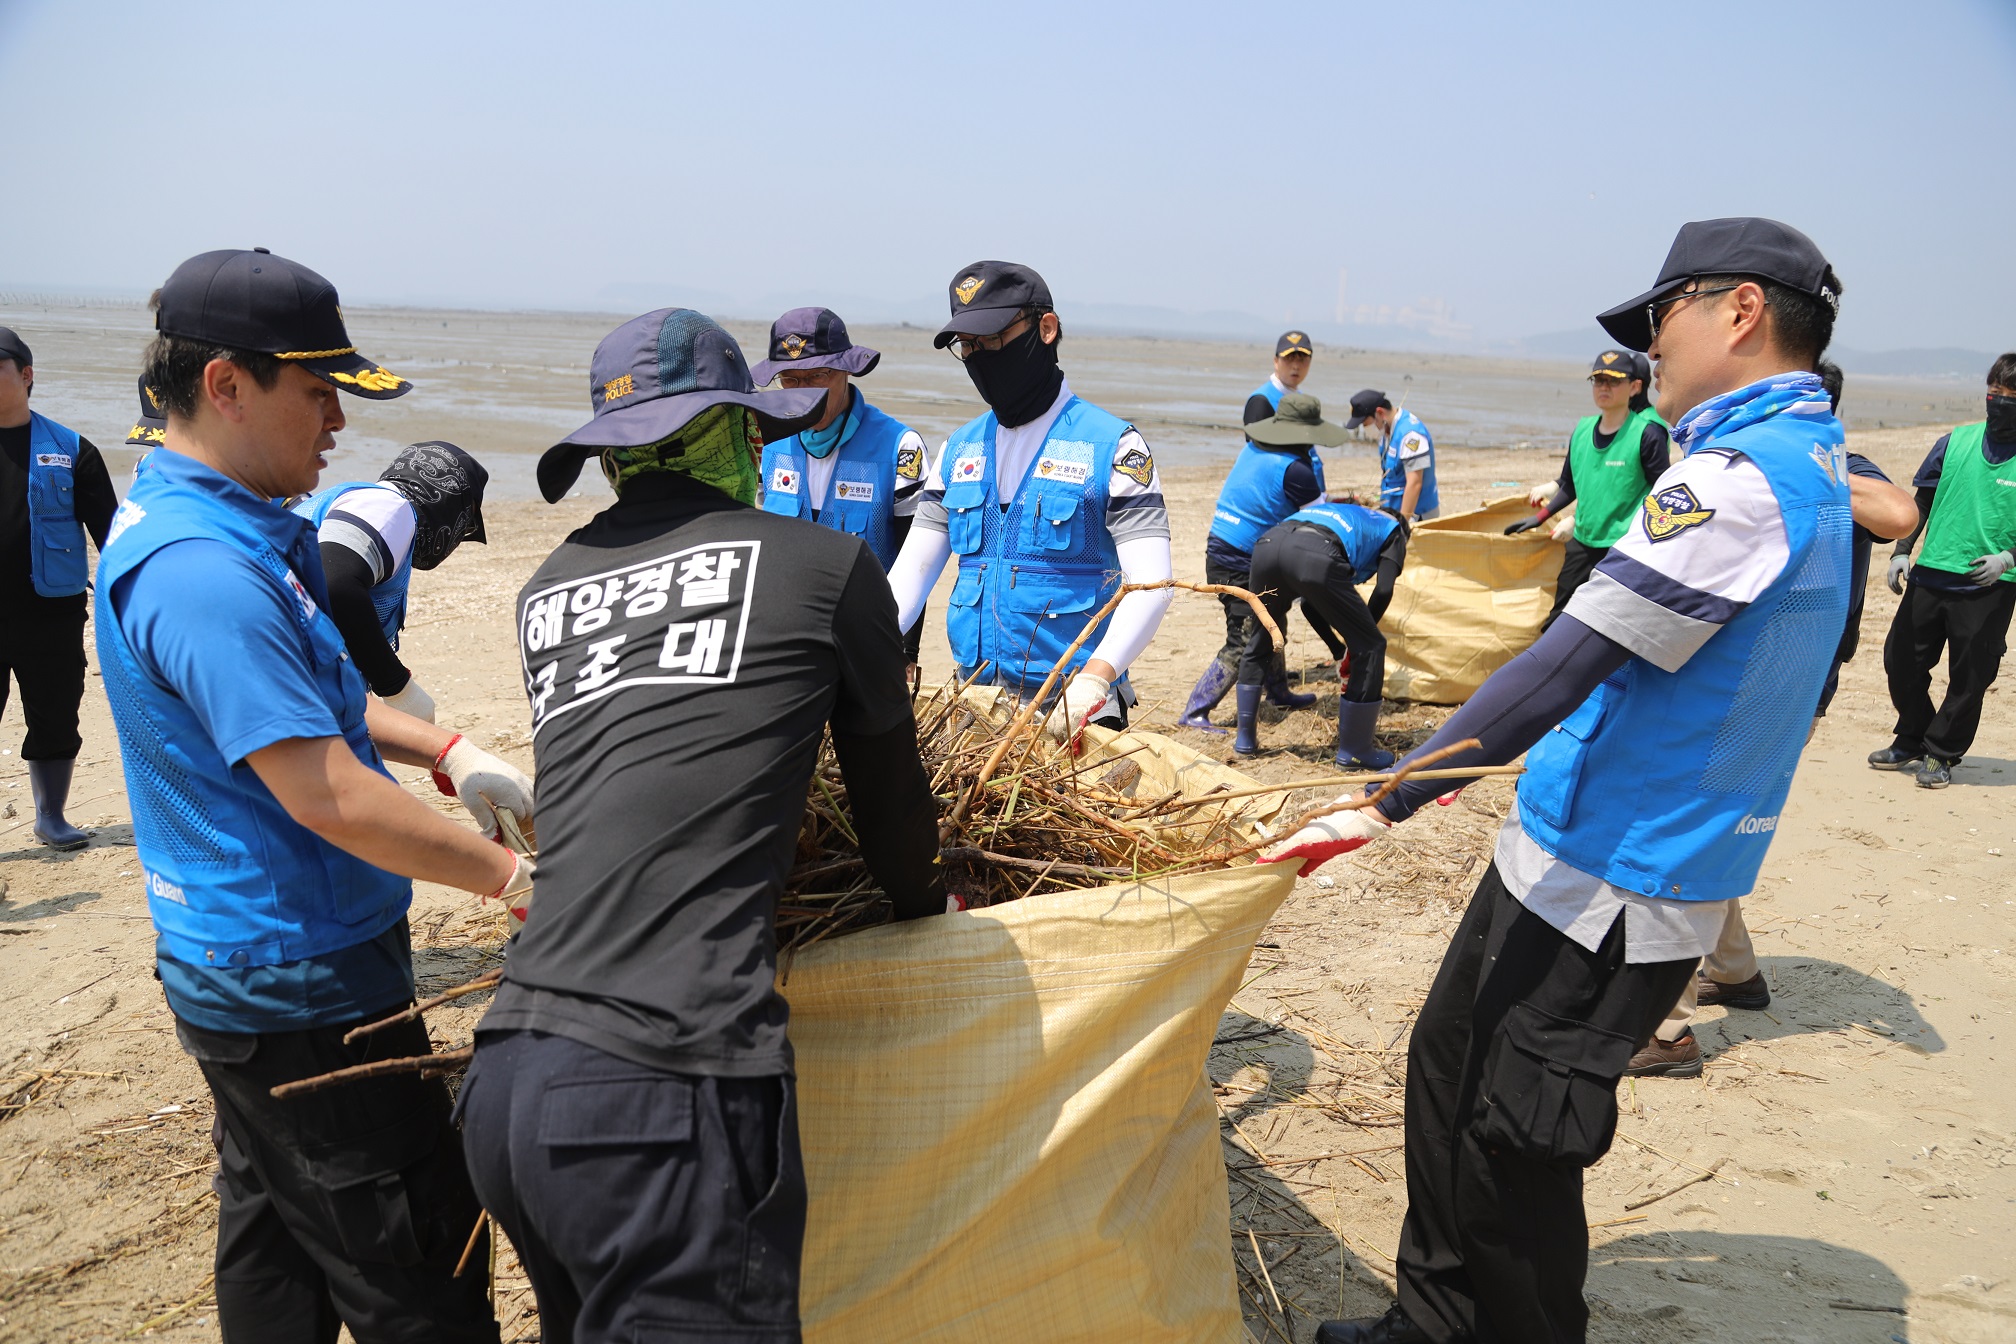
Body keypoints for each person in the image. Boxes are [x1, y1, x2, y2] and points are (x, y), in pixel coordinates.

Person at [1265, 218, 1850, 1344]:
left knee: (1516, 1141)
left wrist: (1387, 797)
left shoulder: (1739, 481)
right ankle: (1432, 1320)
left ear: (1740, 311)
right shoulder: (1807, 453)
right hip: (1569, 839)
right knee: (1449, 1066)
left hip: (1628, 876)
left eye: (1662, 317)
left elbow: (1565, 663)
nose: (1649, 346)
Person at [458, 307, 944, 1344]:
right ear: (738, 434)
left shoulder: (548, 588)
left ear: (611, 461)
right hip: (662, 1092)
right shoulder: (826, 567)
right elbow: (894, 812)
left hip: (506, 1080)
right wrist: (929, 908)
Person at [95, 248, 538, 1341]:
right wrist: (516, 880)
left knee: (275, 1240)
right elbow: (327, 794)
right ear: (226, 385)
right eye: (316, 390)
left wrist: (448, 750)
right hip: (299, 982)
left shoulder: (237, 525)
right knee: (416, 1266)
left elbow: (307, 707)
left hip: (243, 972)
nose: (339, 421)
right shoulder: (203, 570)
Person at [1628, 358, 1919, 1078]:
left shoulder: (1830, 464)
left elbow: (1899, 514)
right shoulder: (1728, 459)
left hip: (1783, 683)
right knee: (1718, 815)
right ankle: (1735, 972)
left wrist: (1799, 470)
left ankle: (1666, 1029)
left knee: (1701, 825)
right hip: (1732, 672)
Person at [886, 261, 1175, 741]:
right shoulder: (959, 450)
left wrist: (1096, 677)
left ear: (1046, 328)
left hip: (1077, 710)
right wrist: (856, 649)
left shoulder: (1113, 447)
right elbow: (908, 580)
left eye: (992, 339)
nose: (979, 356)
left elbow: (1153, 585)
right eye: (968, 346)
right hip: (976, 706)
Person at [1869, 351, 2016, 788]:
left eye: (2011, 395)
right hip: (1931, 572)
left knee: (1970, 676)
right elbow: (1923, 501)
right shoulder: (1954, 442)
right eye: (1995, 392)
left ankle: (1941, 752)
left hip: (1990, 585)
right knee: (1900, 661)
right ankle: (1913, 736)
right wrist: (1902, 551)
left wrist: (2007, 559)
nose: (2000, 401)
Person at [0, 325, 120, 849]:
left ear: (26, 375)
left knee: (55, 714)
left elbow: (112, 536)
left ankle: (51, 815)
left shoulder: (72, 450)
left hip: (50, 612)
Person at [752, 306, 927, 661]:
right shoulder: (766, 446)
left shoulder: (900, 448)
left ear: (846, 371)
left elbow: (916, 562)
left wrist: (906, 652)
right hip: (785, 640)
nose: (804, 392)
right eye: (791, 380)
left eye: (817, 376)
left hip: (865, 642)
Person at [1177, 339, 1332, 733]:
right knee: (1244, 637)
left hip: (1223, 548)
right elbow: (1319, 520)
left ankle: (1277, 690)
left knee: (1272, 617)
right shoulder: (1295, 470)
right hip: (1237, 559)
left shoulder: (1256, 451)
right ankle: (1195, 710)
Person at [290, 441, 491, 721]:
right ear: (448, 501)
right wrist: (397, 687)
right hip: (289, 683)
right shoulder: (388, 507)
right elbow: (335, 581)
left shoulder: (356, 499)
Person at [1234, 490, 1410, 766]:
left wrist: (1340, 649)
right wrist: (1360, 639)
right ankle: (1356, 751)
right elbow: (1384, 589)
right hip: (1314, 551)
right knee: (1372, 646)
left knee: (1261, 639)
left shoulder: (1347, 514)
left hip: (1268, 544)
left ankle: (1245, 741)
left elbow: (1310, 605)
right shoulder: (1393, 528)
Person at [1505, 350, 1670, 629]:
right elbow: (1569, 484)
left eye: (1614, 381)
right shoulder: (1582, 430)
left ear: (1634, 387)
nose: (1604, 387)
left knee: (1613, 623)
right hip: (1583, 540)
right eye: (1598, 380)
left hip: (1622, 546)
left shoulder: (1647, 433)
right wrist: (1540, 517)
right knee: (1559, 617)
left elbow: (1663, 494)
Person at [1350, 388, 1439, 522]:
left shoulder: (1410, 434)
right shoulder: (1386, 430)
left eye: (1365, 424)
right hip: (1393, 509)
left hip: (1415, 514)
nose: (1365, 429)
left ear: (1380, 413)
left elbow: (1415, 483)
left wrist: (1402, 524)